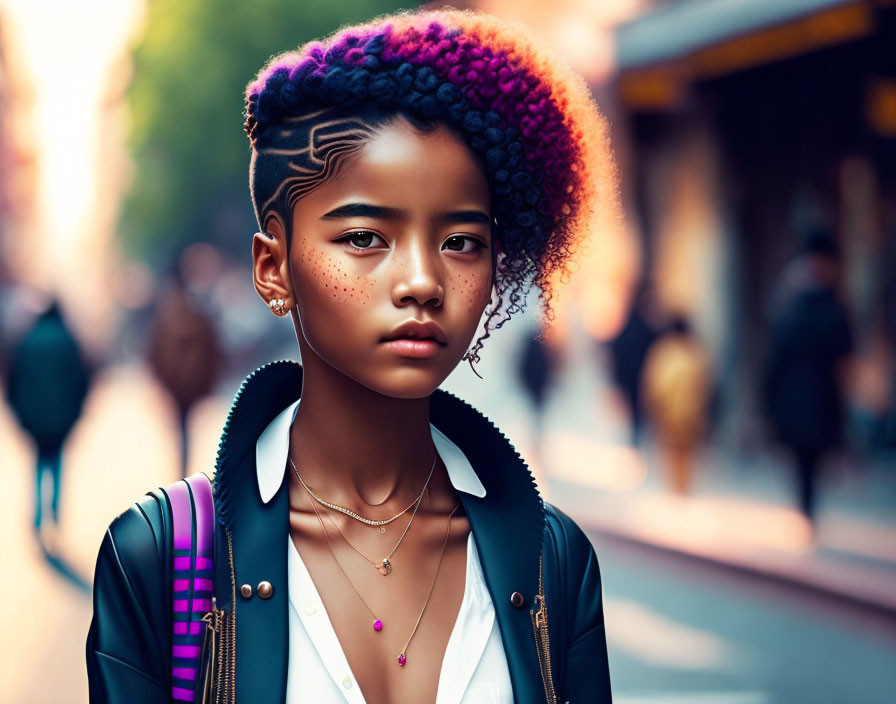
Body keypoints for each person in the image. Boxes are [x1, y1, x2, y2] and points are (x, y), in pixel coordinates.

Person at [87, 9, 616, 703]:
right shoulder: (156, 560)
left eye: (461, 242)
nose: (423, 281)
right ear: (273, 268)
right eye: (366, 238)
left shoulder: (554, 564)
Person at [762, 227, 853, 526]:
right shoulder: (793, 300)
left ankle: (807, 511)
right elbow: (776, 352)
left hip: (819, 394)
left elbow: (843, 351)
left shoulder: (822, 301)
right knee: (802, 455)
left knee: (811, 455)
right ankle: (805, 511)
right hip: (797, 395)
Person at [5, 299, 91, 544]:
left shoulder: (27, 342)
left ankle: (37, 516)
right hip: (62, 417)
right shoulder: (69, 342)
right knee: (56, 463)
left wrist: (19, 415)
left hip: (34, 417)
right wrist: (76, 413)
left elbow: (13, 381)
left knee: (39, 463)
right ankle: (54, 513)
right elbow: (82, 380)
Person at [641, 316, 712, 494]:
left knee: (672, 453)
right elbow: (705, 386)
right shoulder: (696, 354)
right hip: (692, 415)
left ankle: (675, 488)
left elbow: (655, 385)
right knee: (687, 453)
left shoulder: (664, 354)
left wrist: (653, 407)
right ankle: (683, 488)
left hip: (669, 414)